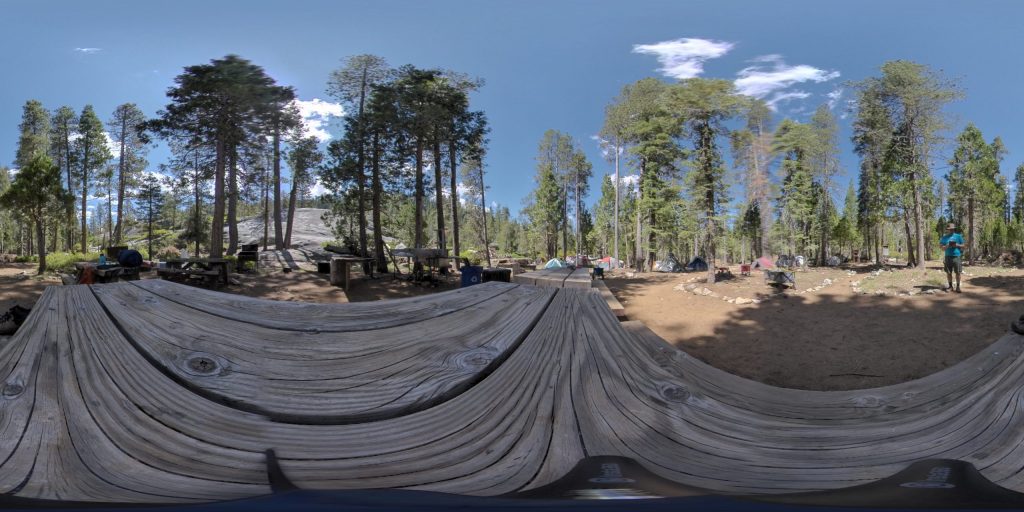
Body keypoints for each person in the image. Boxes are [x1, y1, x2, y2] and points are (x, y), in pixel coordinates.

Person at [940, 223, 965, 293]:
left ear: (954, 229)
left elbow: (963, 246)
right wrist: (947, 246)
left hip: (957, 256)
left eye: (952, 229)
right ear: (947, 230)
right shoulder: (944, 237)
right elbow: (941, 247)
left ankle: (958, 287)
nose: (951, 230)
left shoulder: (958, 236)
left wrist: (957, 245)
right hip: (948, 256)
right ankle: (950, 286)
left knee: (958, 272)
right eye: (950, 229)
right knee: (948, 272)